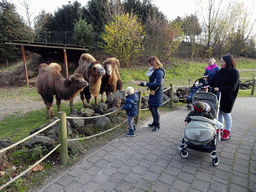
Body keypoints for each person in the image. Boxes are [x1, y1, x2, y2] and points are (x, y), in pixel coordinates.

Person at [209, 54, 240, 141]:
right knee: (219, 113)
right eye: (221, 62)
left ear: (228, 62)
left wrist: (220, 88)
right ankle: (219, 129)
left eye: (222, 62)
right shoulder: (221, 71)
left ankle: (227, 132)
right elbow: (215, 81)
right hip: (219, 96)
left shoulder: (234, 73)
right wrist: (209, 84)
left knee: (226, 114)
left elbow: (232, 87)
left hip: (228, 97)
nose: (221, 63)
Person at [138, 56, 165, 132]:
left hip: (157, 93)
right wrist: (145, 85)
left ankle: (157, 125)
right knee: (151, 108)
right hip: (153, 92)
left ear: (154, 63)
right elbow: (153, 82)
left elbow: (158, 83)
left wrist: (146, 83)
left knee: (155, 109)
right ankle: (154, 122)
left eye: (150, 64)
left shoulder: (159, 72)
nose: (149, 65)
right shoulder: (155, 71)